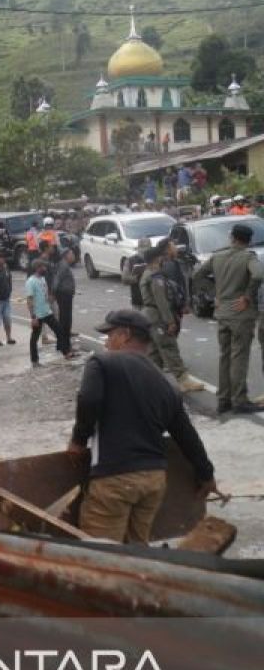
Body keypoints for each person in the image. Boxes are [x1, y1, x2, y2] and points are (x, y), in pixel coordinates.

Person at [67, 309, 218, 544]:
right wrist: (206, 474)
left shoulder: (102, 362)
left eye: (110, 335)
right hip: (153, 480)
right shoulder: (165, 382)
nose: (106, 342)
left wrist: (78, 440)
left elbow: (89, 399)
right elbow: (185, 434)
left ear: (125, 334)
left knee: (102, 556)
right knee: (137, 552)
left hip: (114, 478)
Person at [193, 222, 264, 414]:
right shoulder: (248, 256)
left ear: (232, 237)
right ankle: (239, 399)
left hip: (222, 312)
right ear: (248, 240)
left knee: (225, 357)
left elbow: (197, 275)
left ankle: (224, 399)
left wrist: (213, 294)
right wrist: (248, 296)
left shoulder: (217, 256)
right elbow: (258, 274)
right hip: (240, 314)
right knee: (239, 357)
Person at [140, 243, 204, 392]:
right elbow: (161, 301)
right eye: (161, 258)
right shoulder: (155, 276)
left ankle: (151, 382)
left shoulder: (147, 273)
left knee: (154, 351)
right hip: (158, 316)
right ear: (157, 259)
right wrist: (170, 321)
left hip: (150, 316)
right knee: (169, 347)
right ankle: (183, 380)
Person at [25, 260, 61, 367]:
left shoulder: (43, 279)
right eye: (43, 267)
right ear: (38, 268)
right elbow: (29, 300)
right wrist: (33, 317)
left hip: (47, 311)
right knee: (34, 338)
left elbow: (44, 294)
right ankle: (34, 360)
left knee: (59, 330)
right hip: (38, 314)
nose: (45, 269)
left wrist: (50, 298)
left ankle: (65, 351)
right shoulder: (30, 282)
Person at [51, 248, 79, 358]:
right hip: (64, 295)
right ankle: (66, 348)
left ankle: (61, 345)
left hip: (64, 295)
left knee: (64, 320)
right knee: (65, 322)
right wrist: (53, 293)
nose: (73, 256)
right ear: (66, 255)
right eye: (72, 254)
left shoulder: (63, 265)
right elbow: (56, 279)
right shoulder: (63, 265)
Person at [122, 237, 154, 309]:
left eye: (147, 251)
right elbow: (124, 279)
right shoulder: (130, 261)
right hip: (138, 300)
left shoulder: (154, 259)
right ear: (138, 249)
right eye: (142, 251)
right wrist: (138, 277)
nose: (144, 254)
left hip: (152, 300)